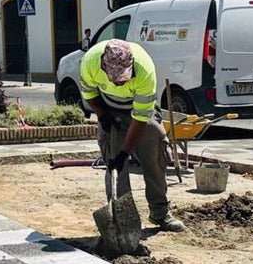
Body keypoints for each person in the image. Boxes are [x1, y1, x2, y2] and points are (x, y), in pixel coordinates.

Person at [79, 38, 185, 232]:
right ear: (103, 66)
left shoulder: (145, 69)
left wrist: (124, 152)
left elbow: (140, 119)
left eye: (123, 78)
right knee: (116, 169)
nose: (119, 84)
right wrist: (103, 116)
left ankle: (160, 213)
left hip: (141, 114)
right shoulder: (90, 62)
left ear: (131, 65)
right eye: (114, 79)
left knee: (155, 157)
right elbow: (89, 94)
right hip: (109, 109)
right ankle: (123, 220)